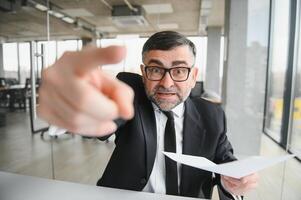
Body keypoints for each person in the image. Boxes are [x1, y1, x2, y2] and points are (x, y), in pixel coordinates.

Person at [38, 31, 258, 199]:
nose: (167, 83)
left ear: (194, 76)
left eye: (179, 70)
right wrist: (75, 101)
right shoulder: (130, 95)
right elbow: (102, 112)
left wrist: (233, 181)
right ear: (143, 74)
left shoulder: (212, 114)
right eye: (156, 69)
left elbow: (227, 164)